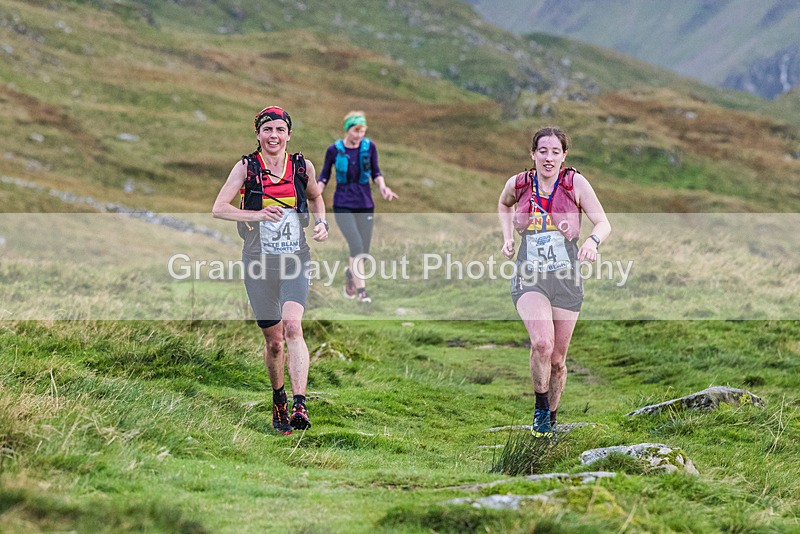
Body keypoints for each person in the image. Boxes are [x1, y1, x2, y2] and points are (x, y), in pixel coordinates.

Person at [212, 105, 329, 435]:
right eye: (267, 130)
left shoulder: (301, 166)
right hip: (258, 261)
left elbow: (317, 198)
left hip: (295, 258)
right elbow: (219, 209)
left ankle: (300, 403)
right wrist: (256, 216)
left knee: (294, 326)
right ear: (258, 134)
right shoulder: (246, 168)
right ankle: (278, 398)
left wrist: (322, 223)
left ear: (289, 134)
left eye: (280, 130)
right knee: (275, 342)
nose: (273, 136)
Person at [497, 126, 611, 437]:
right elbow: (504, 204)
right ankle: (539, 409)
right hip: (530, 276)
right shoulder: (519, 184)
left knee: (559, 361)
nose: (548, 158)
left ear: (564, 156)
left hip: (566, 278)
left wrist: (592, 242)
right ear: (533, 154)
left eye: (555, 152)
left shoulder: (574, 183)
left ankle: (552, 419)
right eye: (542, 151)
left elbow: (603, 222)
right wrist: (508, 238)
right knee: (542, 343)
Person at [317, 111, 398, 303]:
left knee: (363, 252)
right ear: (348, 129)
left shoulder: (370, 148)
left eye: (362, 131)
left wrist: (384, 188)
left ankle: (349, 273)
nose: (359, 135)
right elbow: (324, 177)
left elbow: (376, 173)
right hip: (343, 204)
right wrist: (315, 195)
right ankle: (362, 293)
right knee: (356, 245)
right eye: (356, 131)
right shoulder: (334, 150)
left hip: (365, 204)